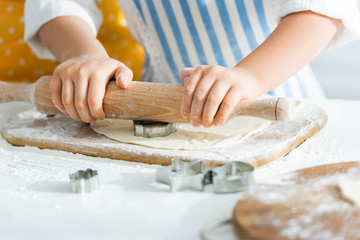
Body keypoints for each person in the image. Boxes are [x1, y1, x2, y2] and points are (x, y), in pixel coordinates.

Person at [24, 0, 360, 128]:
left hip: (280, 108)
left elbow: (322, 9)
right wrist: (84, 53)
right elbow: (57, 4)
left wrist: (248, 77)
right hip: (163, 118)